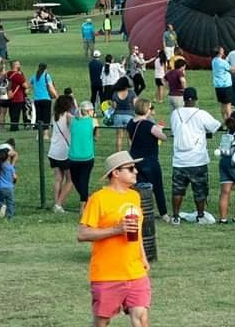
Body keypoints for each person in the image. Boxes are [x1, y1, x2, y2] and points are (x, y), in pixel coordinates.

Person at [77, 150, 150, 327]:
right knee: (102, 322)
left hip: (135, 272)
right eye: (131, 168)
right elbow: (82, 234)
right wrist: (117, 230)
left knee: (141, 316)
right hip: (107, 273)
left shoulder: (134, 196)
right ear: (116, 173)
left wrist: (143, 257)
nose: (136, 172)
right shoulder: (98, 199)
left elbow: (137, 231)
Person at [169, 87, 221, 225]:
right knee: (200, 190)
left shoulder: (175, 113)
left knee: (178, 190)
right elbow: (216, 126)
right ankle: (200, 215)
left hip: (179, 160)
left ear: (184, 99)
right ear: (196, 99)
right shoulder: (201, 114)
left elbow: (174, 131)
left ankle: (175, 216)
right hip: (197, 159)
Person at [126, 98, 168, 221]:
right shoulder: (149, 125)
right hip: (150, 160)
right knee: (157, 188)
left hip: (135, 159)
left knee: (137, 187)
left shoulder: (130, 123)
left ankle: (138, 210)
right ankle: (163, 213)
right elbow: (163, 137)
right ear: (146, 109)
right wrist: (159, 129)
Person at [69, 101, 99, 212]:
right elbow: (96, 137)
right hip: (87, 156)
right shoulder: (93, 121)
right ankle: (85, 202)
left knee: (76, 180)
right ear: (88, 111)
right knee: (83, 181)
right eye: (92, 110)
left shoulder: (72, 121)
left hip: (73, 156)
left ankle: (84, 201)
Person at [48, 94, 75, 213]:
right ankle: (59, 204)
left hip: (53, 150)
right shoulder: (69, 116)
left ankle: (56, 203)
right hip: (65, 151)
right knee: (70, 179)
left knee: (58, 179)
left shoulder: (54, 116)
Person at [30, 63, 58, 136]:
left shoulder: (34, 77)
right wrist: (56, 96)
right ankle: (45, 134)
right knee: (46, 117)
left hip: (37, 99)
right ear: (45, 69)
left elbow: (28, 86)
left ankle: (38, 134)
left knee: (39, 117)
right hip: (46, 99)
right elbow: (51, 87)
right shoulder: (47, 76)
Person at [109, 77, 136, 151]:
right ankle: (131, 153)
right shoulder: (131, 93)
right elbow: (135, 105)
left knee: (119, 136)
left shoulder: (115, 94)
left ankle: (118, 153)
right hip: (129, 116)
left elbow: (114, 107)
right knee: (129, 137)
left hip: (118, 116)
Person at [0, 145, 18, 219]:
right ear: (8, 157)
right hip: (10, 188)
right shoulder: (10, 167)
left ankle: (2, 206)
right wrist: (14, 182)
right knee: (10, 203)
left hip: (0, 188)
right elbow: (15, 177)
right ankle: (10, 216)